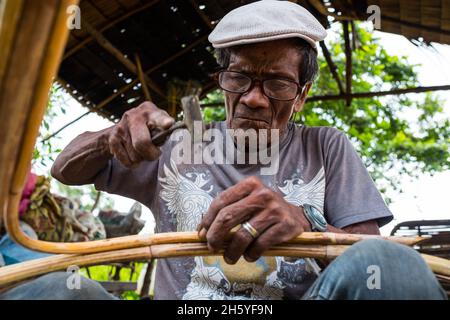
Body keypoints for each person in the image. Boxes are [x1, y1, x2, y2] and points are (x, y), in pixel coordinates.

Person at [3, 0, 446, 300]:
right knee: (59, 288)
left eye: (276, 82)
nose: (254, 97)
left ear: (303, 94)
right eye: (240, 78)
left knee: (393, 262)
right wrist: (110, 136)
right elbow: (64, 169)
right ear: (222, 82)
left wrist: (304, 220)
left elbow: (371, 257)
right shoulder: (180, 141)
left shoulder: (325, 145)